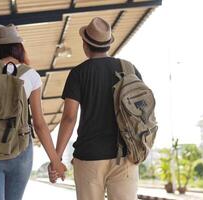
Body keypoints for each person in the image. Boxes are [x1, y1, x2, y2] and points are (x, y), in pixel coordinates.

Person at [0, 24, 66, 200]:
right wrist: (55, 161)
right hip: (20, 150)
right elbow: (39, 124)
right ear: (19, 48)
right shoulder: (32, 75)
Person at [49, 17, 142, 200]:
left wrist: (56, 158)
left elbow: (69, 117)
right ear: (107, 44)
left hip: (89, 157)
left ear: (85, 44)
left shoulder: (78, 73)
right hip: (125, 155)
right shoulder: (129, 69)